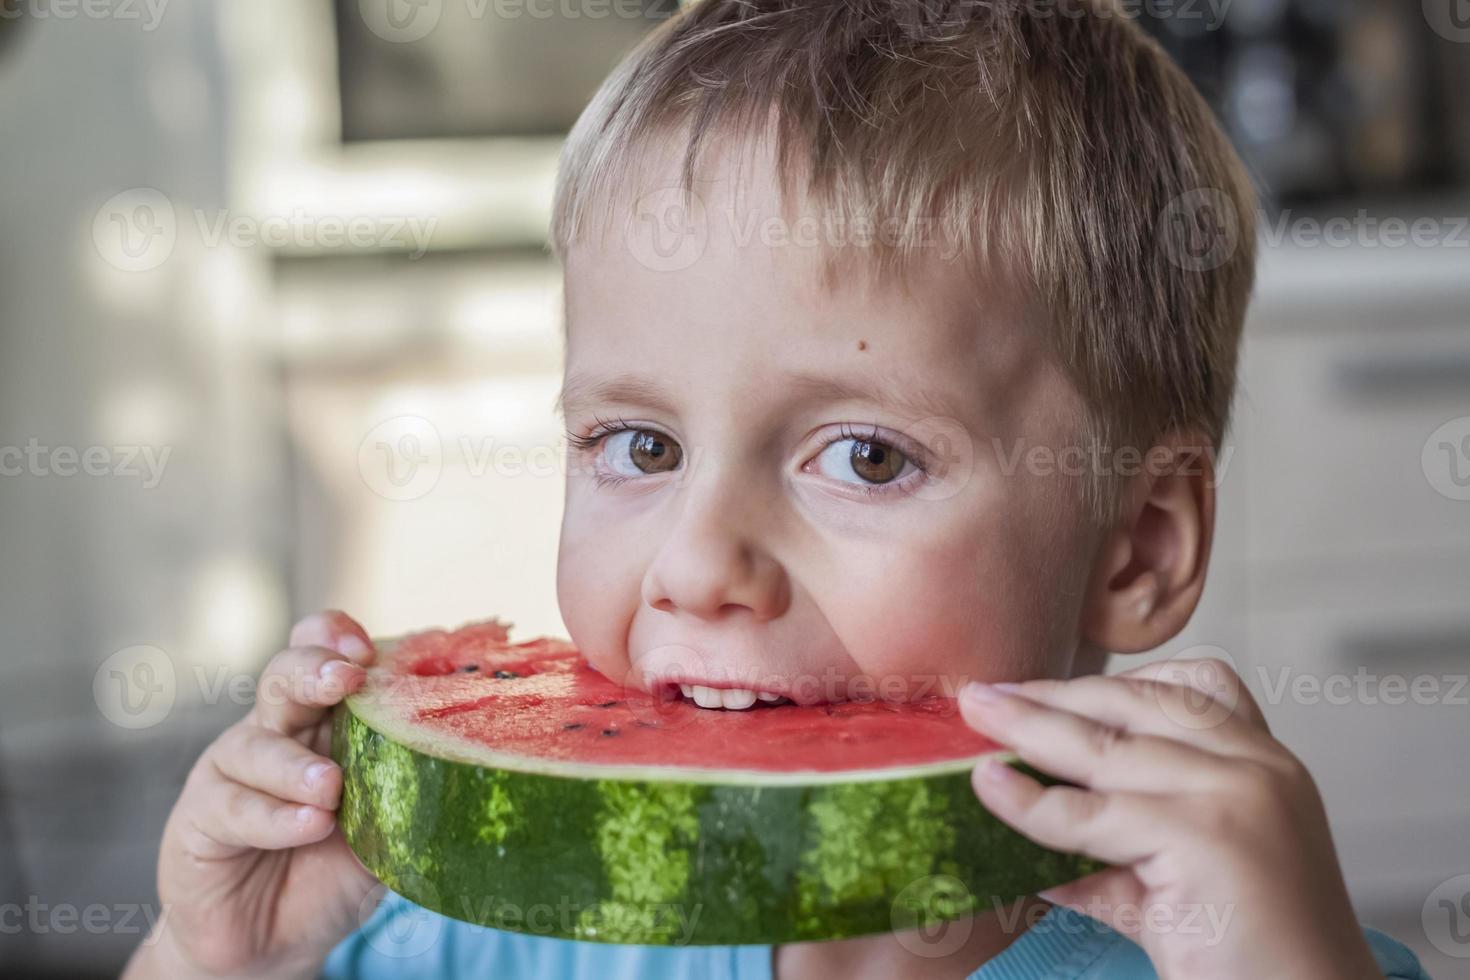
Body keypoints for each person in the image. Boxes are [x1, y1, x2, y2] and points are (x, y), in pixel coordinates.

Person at [123, 1, 1431, 976]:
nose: (698, 564)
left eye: (865, 457)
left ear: (1135, 545)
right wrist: (219, 955)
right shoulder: (479, 929)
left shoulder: (1251, 943)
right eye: (638, 446)